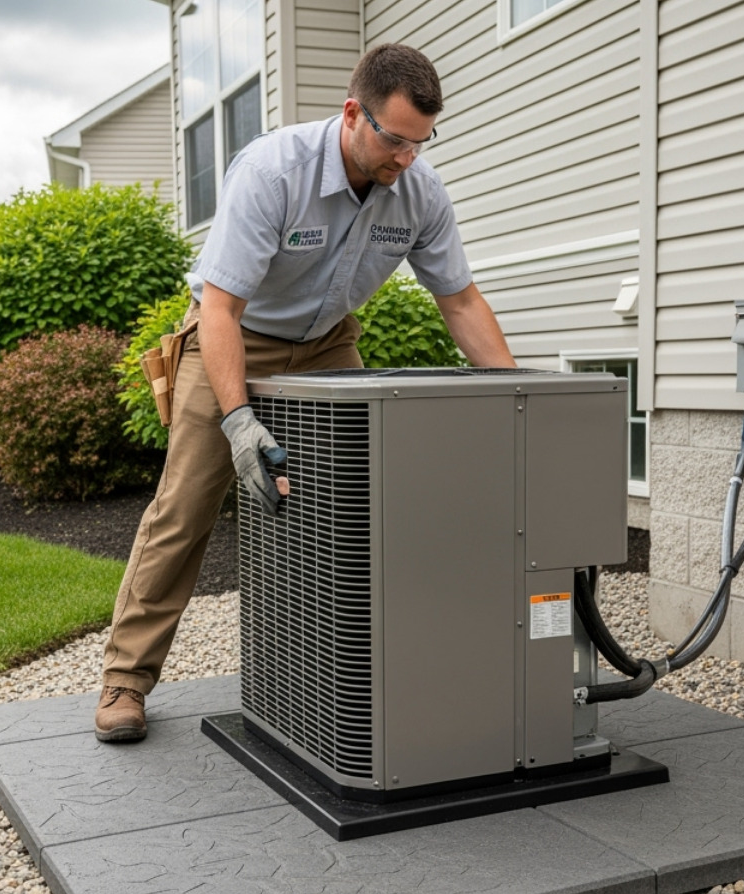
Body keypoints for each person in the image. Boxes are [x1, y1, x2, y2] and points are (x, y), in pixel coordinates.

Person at [94, 42, 518, 742]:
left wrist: (516, 398)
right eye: (394, 139)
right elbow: (221, 308)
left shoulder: (419, 189)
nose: (407, 157)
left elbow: (461, 301)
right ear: (352, 113)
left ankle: (337, 666)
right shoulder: (272, 172)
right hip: (233, 335)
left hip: (326, 343)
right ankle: (125, 679)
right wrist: (238, 423)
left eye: (420, 142)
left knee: (354, 503)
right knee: (185, 508)